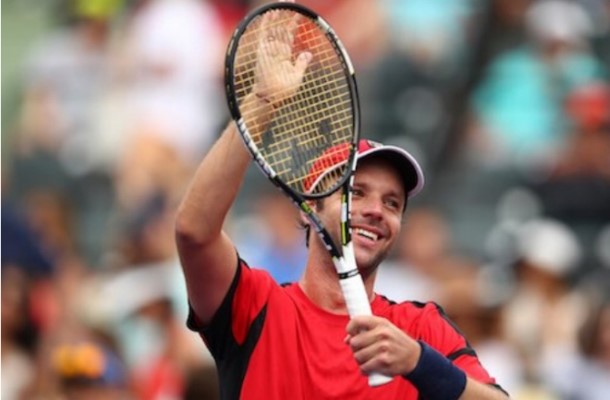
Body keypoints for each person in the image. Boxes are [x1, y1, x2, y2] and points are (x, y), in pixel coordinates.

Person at [175, 1, 509, 398]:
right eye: (355, 192)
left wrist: (420, 363)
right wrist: (260, 103)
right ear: (310, 208)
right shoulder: (256, 306)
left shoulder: (420, 329)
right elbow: (194, 232)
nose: (375, 210)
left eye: (392, 203)